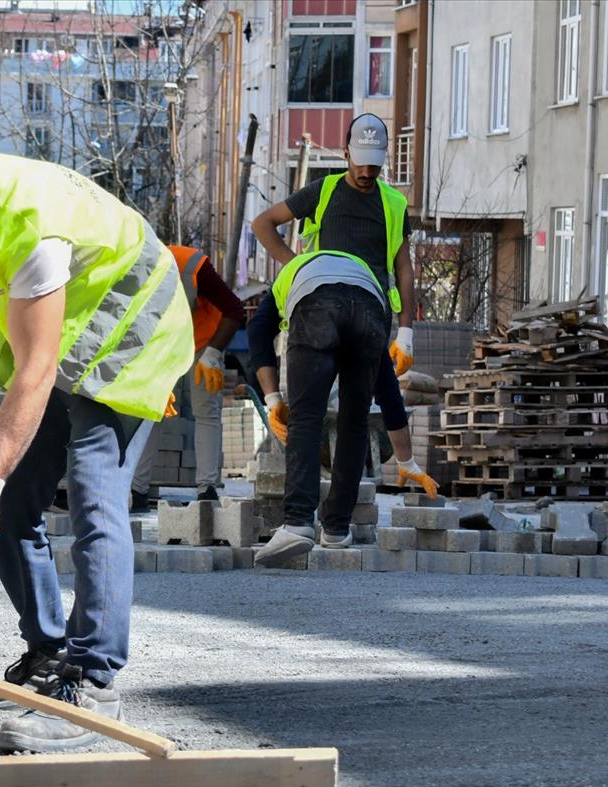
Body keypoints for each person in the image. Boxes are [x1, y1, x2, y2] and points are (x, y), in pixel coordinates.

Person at [0, 90, 194, 753]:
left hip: (132, 332)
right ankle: (50, 653)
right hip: (70, 340)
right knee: (15, 503)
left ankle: (93, 678)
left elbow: (37, 368)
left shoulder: (27, 221)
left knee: (92, 486)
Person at [249, 113, 415, 567]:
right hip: (362, 310)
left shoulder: (393, 204)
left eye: (375, 166)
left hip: (342, 304)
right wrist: (291, 262)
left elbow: (404, 268)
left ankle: (300, 521)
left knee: (311, 417)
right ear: (345, 155)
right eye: (360, 163)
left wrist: (408, 329)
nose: (366, 173)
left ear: (383, 163)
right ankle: (336, 529)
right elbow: (264, 223)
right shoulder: (322, 190)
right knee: (354, 419)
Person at [246, 292, 439, 498]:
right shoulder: (364, 292)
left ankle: (303, 520)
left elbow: (258, 328)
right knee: (348, 418)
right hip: (348, 310)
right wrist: (405, 459)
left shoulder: (305, 280)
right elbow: (385, 384)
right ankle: (327, 523)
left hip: (320, 316)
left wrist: (273, 399)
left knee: (311, 418)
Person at [130, 246, 245, 510]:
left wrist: (213, 353)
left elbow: (235, 310)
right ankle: (136, 489)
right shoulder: (129, 275)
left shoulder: (190, 265)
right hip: (164, 341)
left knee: (205, 410)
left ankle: (207, 490)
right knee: (149, 410)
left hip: (204, 340)